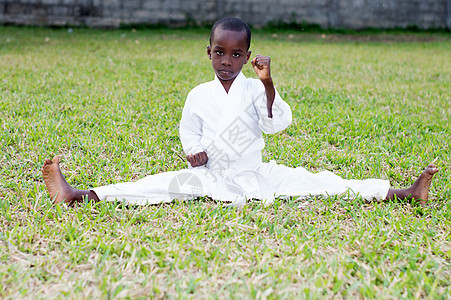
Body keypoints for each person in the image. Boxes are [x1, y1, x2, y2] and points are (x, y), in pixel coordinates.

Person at [41, 17, 438, 207]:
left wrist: (267, 83)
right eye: (219, 53)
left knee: (321, 181)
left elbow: (277, 122)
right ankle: (79, 195)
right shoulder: (198, 94)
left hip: (256, 174)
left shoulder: (254, 88)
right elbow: (188, 131)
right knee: (159, 184)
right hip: (210, 175)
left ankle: (402, 193)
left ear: (248, 57)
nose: (226, 61)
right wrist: (193, 153)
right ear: (208, 53)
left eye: (235, 54)